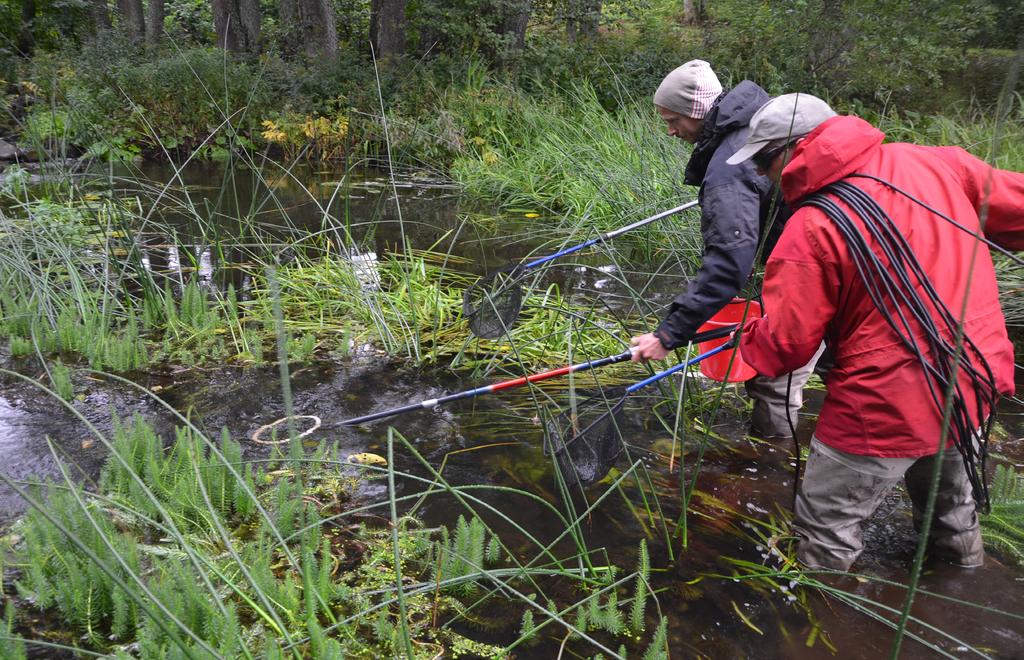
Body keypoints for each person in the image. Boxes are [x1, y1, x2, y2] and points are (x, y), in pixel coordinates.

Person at [729, 93, 1023, 571]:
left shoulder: (809, 228)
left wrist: (748, 340)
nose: (762, 174)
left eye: (763, 160)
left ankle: (824, 622)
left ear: (794, 149)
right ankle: (961, 583)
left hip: (881, 405)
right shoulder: (940, 165)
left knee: (826, 528)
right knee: (951, 515)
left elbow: (787, 346)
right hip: (975, 376)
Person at [629, 60, 818, 440]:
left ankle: (769, 466)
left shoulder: (729, 167)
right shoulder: (757, 125)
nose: (669, 130)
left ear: (697, 113)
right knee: (844, 367)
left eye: (674, 120)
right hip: (831, 263)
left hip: (818, 272)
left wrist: (668, 335)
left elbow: (730, 262)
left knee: (774, 384)